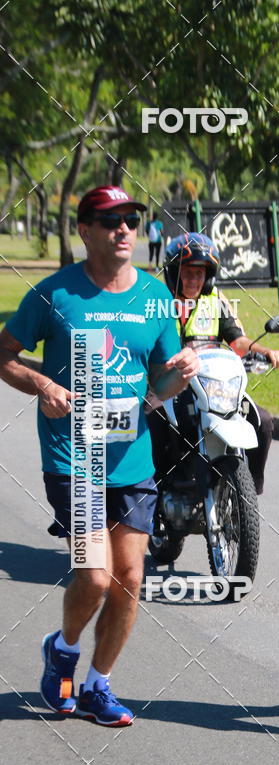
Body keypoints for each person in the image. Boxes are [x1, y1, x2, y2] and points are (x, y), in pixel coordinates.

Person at [0, 185, 200, 726]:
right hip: (74, 457)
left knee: (130, 578)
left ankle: (97, 685)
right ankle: (63, 650)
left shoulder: (157, 298)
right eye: (110, 220)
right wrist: (42, 384)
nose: (124, 229)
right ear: (84, 231)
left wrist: (177, 374)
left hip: (132, 461)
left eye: (131, 220)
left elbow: (156, 380)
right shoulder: (54, 296)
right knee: (93, 575)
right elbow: (4, 357)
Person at [147, 232, 279, 495]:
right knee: (154, 419)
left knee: (264, 421)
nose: (194, 279)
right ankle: (152, 494)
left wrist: (266, 351)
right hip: (170, 387)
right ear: (174, 272)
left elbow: (237, 342)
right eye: (188, 272)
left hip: (213, 387)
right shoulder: (158, 303)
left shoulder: (216, 302)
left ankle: (247, 495)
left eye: (200, 273)